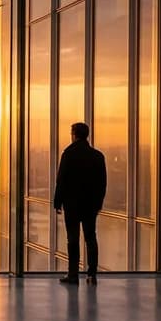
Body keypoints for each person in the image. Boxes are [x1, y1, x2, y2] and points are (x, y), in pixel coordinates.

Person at [53, 122, 106, 284]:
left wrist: (58, 201)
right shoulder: (97, 156)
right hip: (90, 205)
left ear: (74, 134)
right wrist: (98, 203)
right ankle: (92, 274)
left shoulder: (68, 154)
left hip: (72, 205)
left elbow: (61, 180)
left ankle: (73, 274)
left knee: (73, 240)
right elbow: (102, 183)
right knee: (91, 238)